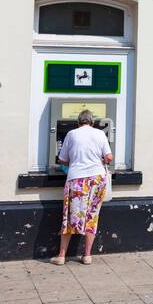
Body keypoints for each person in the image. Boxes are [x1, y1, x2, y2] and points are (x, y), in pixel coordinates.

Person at [51, 109, 113, 266]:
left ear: (78, 122)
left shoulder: (71, 134)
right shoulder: (100, 134)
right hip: (98, 180)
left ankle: (62, 256)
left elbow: (62, 159)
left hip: (77, 179)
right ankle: (87, 256)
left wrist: (75, 159)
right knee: (92, 215)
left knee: (70, 216)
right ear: (92, 122)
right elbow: (109, 157)